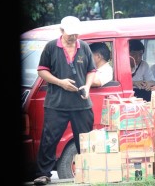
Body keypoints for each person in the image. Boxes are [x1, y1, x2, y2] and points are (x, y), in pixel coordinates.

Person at [33, 16, 96, 185]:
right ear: (61, 31)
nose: (73, 37)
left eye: (75, 34)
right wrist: (61, 82)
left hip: (81, 103)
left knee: (85, 140)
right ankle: (43, 174)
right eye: (70, 34)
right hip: (56, 103)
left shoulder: (84, 47)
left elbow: (91, 70)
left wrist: (88, 86)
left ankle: (90, 172)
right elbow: (42, 71)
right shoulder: (51, 47)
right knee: (49, 139)